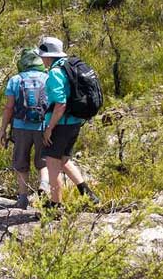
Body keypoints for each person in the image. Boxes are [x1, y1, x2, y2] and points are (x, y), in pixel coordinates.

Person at [38, 37, 100, 208]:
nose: (41, 59)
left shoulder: (55, 73)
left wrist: (50, 128)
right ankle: (88, 194)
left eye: (42, 56)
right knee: (64, 159)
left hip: (60, 124)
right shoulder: (70, 66)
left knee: (52, 163)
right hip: (75, 122)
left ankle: (55, 204)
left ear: (48, 56)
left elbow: (60, 104)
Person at [0, 49, 52, 209]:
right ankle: (44, 184)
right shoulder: (48, 78)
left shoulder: (15, 80)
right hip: (43, 125)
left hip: (21, 126)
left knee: (21, 161)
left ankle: (22, 198)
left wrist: (3, 129)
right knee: (44, 160)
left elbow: (9, 107)